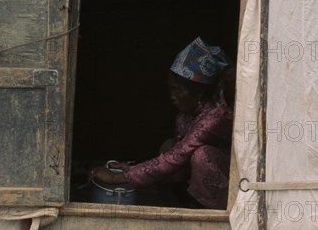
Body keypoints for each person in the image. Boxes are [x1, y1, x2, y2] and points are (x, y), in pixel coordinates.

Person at [89, 37, 234, 209]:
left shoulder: (214, 117)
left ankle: (207, 210)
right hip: (189, 169)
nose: (172, 96)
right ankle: (181, 198)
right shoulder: (184, 116)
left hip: (227, 179)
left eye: (177, 89)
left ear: (198, 93)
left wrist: (119, 177)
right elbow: (173, 154)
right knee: (169, 146)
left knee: (202, 155)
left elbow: (176, 158)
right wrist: (132, 168)